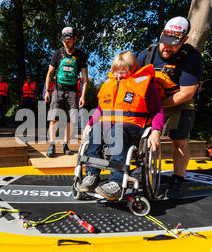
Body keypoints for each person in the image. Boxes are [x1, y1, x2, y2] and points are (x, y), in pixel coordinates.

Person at [79, 51, 164, 201]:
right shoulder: (109, 84)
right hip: (110, 128)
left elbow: (157, 110)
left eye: (123, 71)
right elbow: (101, 108)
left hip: (134, 129)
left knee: (117, 130)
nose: (118, 75)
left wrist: (156, 131)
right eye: (115, 71)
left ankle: (117, 182)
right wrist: (90, 123)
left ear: (132, 69)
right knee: (98, 129)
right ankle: (92, 174)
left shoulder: (144, 85)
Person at [137, 16, 202, 199]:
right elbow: (132, 83)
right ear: (161, 35)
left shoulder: (191, 58)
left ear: (184, 40)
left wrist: (159, 106)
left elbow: (186, 93)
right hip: (150, 99)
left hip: (178, 99)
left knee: (179, 140)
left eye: (174, 43)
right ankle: (136, 172)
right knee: (136, 132)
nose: (167, 47)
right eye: (165, 41)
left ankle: (177, 181)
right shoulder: (146, 55)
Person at [44, 26, 89, 157]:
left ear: (75, 39)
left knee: (71, 119)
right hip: (57, 90)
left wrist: (83, 96)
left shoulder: (80, 55)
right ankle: (52, 145)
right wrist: (47, 91)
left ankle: (65, 144)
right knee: (53, 118)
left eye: (69, 41)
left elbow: (85, 78)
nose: (66, 43)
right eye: (64, 41)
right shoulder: (57, 53)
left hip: (73, 92)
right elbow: (50, 73)